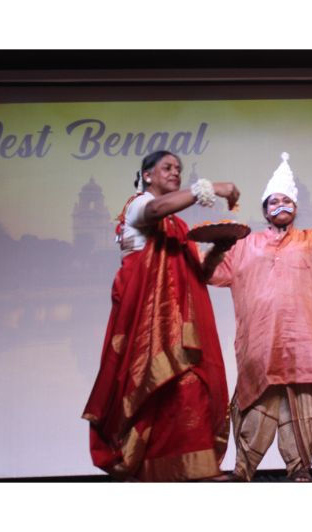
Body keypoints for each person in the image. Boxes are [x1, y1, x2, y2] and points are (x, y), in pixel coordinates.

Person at [205, 152, 312, 481]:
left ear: (296, 208)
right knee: (255, 406)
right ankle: (242, 471)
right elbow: (209, 273)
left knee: (308, 408)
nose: (280, 206)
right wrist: (208, 248)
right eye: (274, 202)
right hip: (261, 343)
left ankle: (300, 470)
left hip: (306, 342)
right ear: (265, 210)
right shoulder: (244, 245)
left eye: (286, 201)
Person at [82, 150, 240, 481]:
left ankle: (196, 468)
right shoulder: (139, 205)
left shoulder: (177, 225)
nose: (175, 172)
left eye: (178, 169)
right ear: (147, 175)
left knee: (189, 384)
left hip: (180, 324)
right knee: (154, 385)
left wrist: (219, 248)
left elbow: (198, 273)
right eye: (166, 167)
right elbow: (156, 209)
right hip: (146, 321)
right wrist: (210, 187)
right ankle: (147, 468)